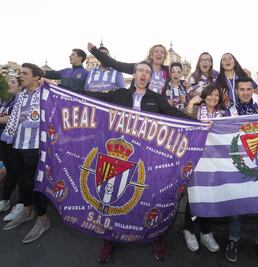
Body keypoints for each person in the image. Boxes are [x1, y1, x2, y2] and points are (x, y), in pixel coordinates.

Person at [81, 60, 195, 263]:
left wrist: (200, 124)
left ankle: (155, 236)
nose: (143, 74)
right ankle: (110, 238)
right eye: (140, 71)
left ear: (150, 78)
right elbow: (92, 96)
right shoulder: (119, 94)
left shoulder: (156, 99)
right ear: (134, 75)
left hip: (148, 158)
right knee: (112, 195)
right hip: (118, 155)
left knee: (152, 196)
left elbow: (175, 115)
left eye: (147, 72)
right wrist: (58, 87)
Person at [223, 77, 258, 267]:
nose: (245, 92)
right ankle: (233, 241)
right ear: (236, 91)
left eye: (248, 89)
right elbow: (218, 131)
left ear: (253, 90)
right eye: (241, 89)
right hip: (239, 164)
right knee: (237, 206)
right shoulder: (230, 111)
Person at [1, 63, 51, 243]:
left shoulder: (47, 92)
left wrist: (51, 82)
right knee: (21, 180)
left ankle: (43, 218)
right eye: (20, 72)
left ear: (37, 77)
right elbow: (15, 118)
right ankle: (27, 210)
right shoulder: (21, 95)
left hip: (35, 145)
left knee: (34, 183)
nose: (20, 75)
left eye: (24, 73)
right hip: (17, 143)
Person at [181, 85, 222, 252]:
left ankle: (206, 232)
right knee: (195, 194)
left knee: (209, 195)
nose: (213, 97)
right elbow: (184, 123)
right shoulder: (196, 109)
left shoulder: (223, 115)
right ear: (204, 96)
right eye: (210, 94)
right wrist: (191, 103)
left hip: (213, 159)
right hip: (196, 158)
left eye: (216, 95)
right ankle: (189, 230)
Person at [88, 42, 169, 93]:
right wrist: (95, 51)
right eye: (156, 51)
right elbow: (117, 65)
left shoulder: (168, 71)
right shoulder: (139, 67)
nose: (159, 54)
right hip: (140, 106)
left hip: (159, 109)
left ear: (164, 56)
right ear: (151, 55)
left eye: (162, 52)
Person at [0, 76, 24, 221]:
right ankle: (5, 200)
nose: (10, 84)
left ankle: (22, 204)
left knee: (19, 173)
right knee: (10, 171)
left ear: (20, 87)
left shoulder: (21, 99)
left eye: (13, 82)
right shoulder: (9, 100)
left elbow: (13, 118)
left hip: (14, 141)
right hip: (3, 139)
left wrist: (3, 118)